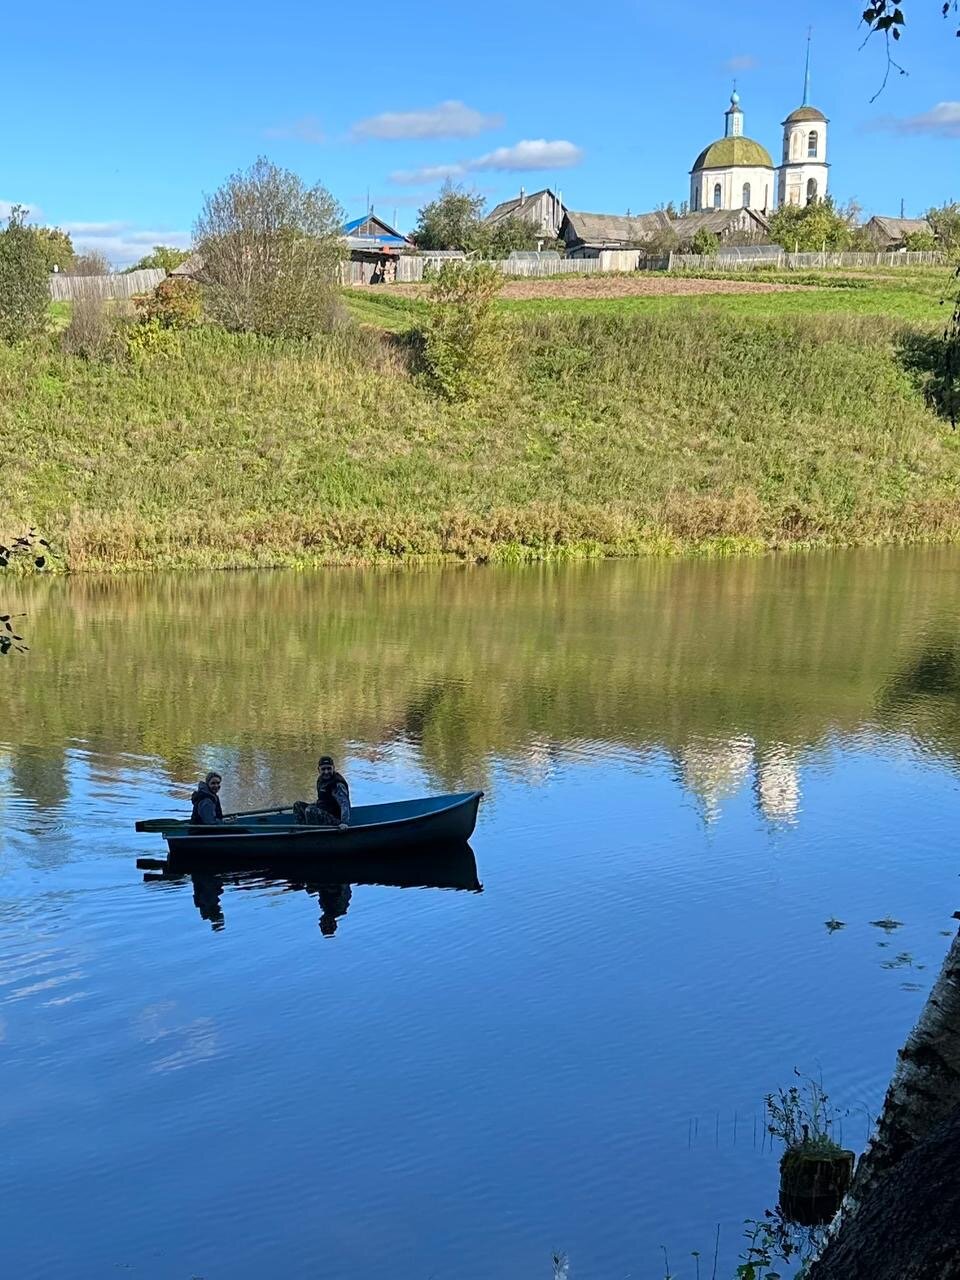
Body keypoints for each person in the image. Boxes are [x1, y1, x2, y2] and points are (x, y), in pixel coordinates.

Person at [293, 755, 350, 828]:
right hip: (324, 811)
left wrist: (344, 823)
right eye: (323, 769)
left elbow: (344, 804)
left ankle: (314, 832)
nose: (326, 772)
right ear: (318, 770)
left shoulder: (337, 784)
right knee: (297, 805)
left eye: (329, 768)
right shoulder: (321, 780)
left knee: (310, 810)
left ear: (333, 768)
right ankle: (302, 829)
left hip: (335, 819)